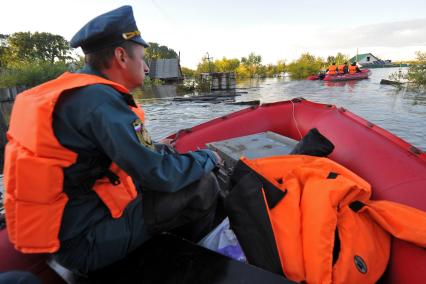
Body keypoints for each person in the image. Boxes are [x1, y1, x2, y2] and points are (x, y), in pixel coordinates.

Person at [4, 5, 222, 274]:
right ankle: (199, 264)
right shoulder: (101, 101)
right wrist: (208, 157)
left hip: (66, 228)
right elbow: (159, 175)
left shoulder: (75, 91)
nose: (145, 66)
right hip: (85, 243)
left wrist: (165, 153)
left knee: (166, 152)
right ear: (121, 56)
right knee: (204, 186)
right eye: (142, 57)